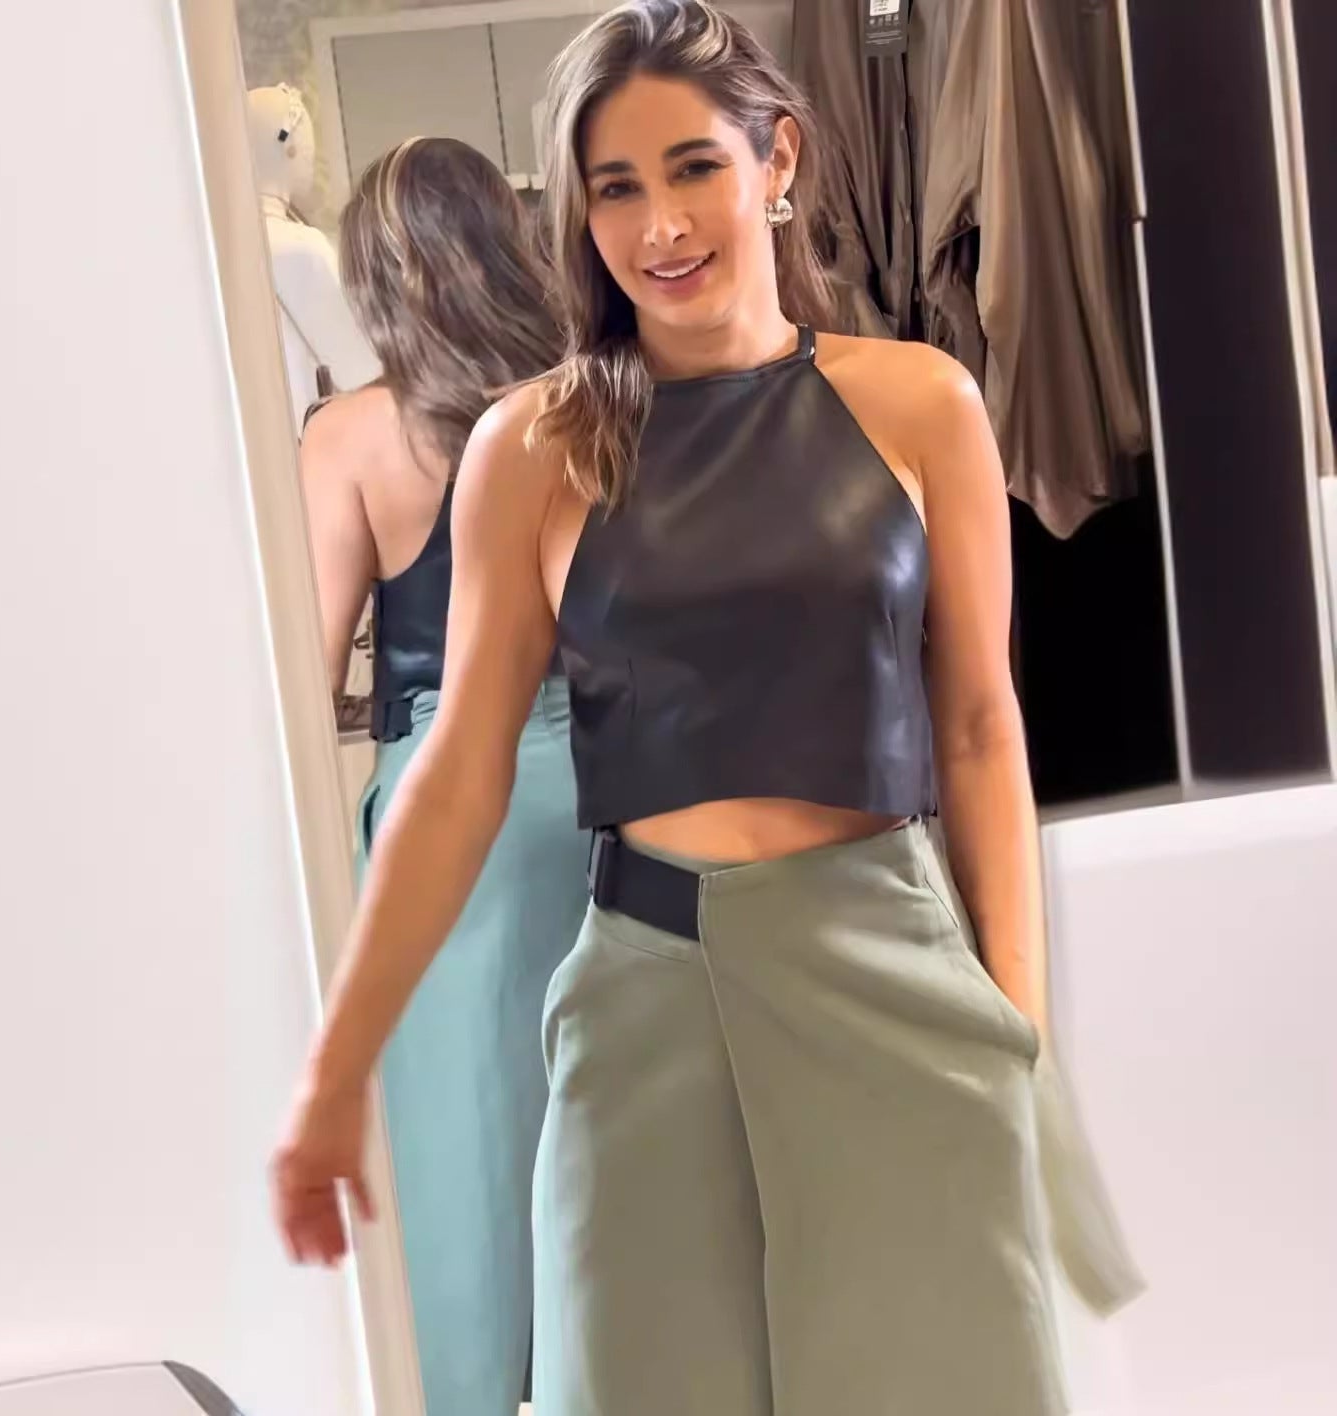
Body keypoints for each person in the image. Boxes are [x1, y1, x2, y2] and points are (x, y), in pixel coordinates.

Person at [274, 4, 1089, 1411]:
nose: (659, 224)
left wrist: (1017, 1027)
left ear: (780, 159)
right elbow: (458, 771)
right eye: (616, 187)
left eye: (694, 166)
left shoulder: (924, 404)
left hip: (888, 969)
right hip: (644, 993)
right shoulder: (534, 447)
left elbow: (976, 728)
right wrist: (339, 1066)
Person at [295, 136, 586, 1416]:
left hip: (449, 813)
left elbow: (308, 667)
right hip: (606, 786)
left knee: (461, 1152)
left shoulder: (352, 436)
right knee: (601, 1131)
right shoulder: (591, 403)